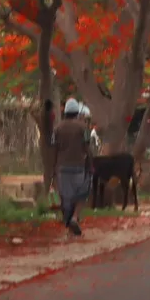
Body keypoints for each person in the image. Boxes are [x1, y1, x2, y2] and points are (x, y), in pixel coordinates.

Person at [52, 97, 93, 236]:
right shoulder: (84, 128)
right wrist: (91, 164)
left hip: (62, 168)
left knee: (66, 197)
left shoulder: (57, 128)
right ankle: (75, 218)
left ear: (65, 113)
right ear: (77, 113)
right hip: (79, 167)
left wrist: (53, 169)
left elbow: (53, 149)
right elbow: (88, 148)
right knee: (82, 194)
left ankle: (69, 225)